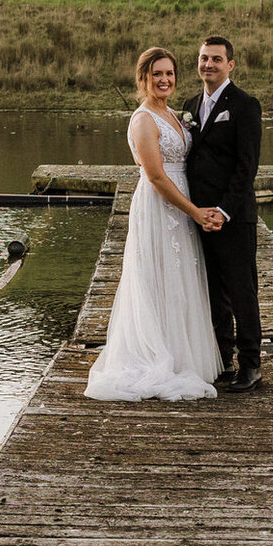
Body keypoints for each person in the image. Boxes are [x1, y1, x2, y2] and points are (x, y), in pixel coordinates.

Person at [83, 47, 226, 402]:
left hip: (183, 204)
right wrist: (194, 211)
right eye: (156, 74)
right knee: (158, 276)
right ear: (143, 78)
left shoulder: (175, 114)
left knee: (180, 277)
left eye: (169, 74)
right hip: (161, 205)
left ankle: (183, 356)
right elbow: (157, 177)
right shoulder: (144, 119)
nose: (164, 80)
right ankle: (155, 357)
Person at [179, 35, 264, 392]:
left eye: (216, 59)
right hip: (198, 215)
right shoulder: (190, 103)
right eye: (203, 59)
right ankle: (222, 359)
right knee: (212, 291)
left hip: (233, 216)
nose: (208, 65)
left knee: (242, 291)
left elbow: (247, 166)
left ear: (230, 64)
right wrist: (197, 211)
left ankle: (251, 365)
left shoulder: (245, 105)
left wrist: (224, 212)